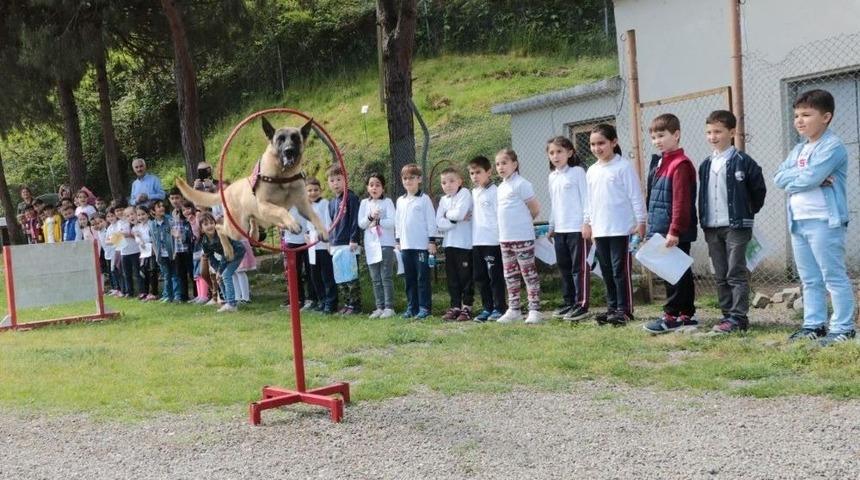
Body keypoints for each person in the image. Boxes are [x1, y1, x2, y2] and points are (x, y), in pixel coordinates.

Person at [774, 89, 856, 346]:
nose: (799, 120)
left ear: (826, 117)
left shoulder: (833, 146)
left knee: (833, 276)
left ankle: (843, 327)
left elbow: (810, 177)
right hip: (799, 221)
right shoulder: (799, 149)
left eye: (806, 115)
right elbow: (778, 178)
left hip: (824, 221)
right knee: (809, 278)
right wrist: (809, 177)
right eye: (796, 115)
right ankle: (814, 324)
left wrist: (807, 178)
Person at [698, 110, 767, 334]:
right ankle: (726, 315)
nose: (713, 137)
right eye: (709, 132)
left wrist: (746, 211)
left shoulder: (743, 162)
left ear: (732, 132)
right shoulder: (706, 164)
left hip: (737, 225)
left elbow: (758, 190)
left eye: (718, 132)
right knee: (720, 274)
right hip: (712, 226)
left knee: (735, 272)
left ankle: (738, 317)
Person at [583, 124, 647, 327]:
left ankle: (624, 310)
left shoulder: (623, 167)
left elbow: (636, 196)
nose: (597, 148)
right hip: (600, 230)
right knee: (607, 271)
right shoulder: (592, 171)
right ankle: (612, 309)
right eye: (593, 144)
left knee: (620, 270)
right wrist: (588, 223)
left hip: (621, 229)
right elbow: (589, 201)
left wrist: (641, 221)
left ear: (614, 142)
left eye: (601, 143)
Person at [642, 114, 699, 334]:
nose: (657, 141)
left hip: (674, 232)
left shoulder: (680, 164)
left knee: (675, 273)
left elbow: (681, 201)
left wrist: (674, 230)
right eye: (653, 137)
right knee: (675, 272)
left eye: (661, 135)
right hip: (662, 229)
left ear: (676, 135)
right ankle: (686, 314)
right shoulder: (660, 163)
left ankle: (672, 315)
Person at [494, 149, 542, 324]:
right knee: (510, 275)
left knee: (528, 274)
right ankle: (514, 309)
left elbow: (535, 208)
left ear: (514, 164)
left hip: (522, 238)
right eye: (497, 164)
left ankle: (534, 310)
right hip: (505, 239)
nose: (501, 167)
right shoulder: (500, 187)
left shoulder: (522, 184)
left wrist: (523, 224)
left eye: (504, 163)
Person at [546, 136, 591, 322]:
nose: (555, 156)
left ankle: (582, 304)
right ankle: (569, 302)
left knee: (578, 268)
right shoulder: (552, 176)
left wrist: (586, 222)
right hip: (560, 230)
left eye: (559, 152)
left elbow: (586, 199)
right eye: (551, 153)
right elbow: (554, 203)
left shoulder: (577, 172)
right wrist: (552, 226)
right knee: (564, 267)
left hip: (577, 229)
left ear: (570, 153)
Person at [395, 163, 437, 319]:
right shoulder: (400, 200)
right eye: (405, 178)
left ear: (419, 179)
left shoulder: (424, 199)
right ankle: (412, 307)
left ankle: (424, 308)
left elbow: (431, 221)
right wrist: (398, 240)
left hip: (421, 246)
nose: (408, 181)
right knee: (410, 279)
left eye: (411, 178)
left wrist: (431, 241)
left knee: (422, 278)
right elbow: (398, 222)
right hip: (406, 246)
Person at [468, 156, 507, 322]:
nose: (475, 176)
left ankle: (499, 307)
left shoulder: (495, 191)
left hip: (492, 241)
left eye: (478, 172)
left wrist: (501, 238)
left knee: (494, 276)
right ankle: (487, 308)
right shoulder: (473, 192)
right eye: (472, 173)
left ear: (488, 172)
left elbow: (501, 216)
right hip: (477, 241)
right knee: (480, 277)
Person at [436, 167, 474, 321]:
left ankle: (467, 307)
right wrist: (454, 220)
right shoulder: (443, 200)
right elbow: (438, 222)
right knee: (452, 278)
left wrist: (447, 215)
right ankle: (455, 306)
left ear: (459, 181)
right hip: (449, 244)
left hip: (464, 244)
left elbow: (460, 213)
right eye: (444, 182)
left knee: (466, 277)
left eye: (451, 181)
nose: (448, 185)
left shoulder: (465, 193)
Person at [358, 173, 397, 319]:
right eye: (371, 185)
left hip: (385, 243)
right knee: (375, 277)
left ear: (383, 187)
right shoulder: (364, 203)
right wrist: (370, 217)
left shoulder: (387, 202)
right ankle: (379, 307)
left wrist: (379, 221)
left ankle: (389, 307)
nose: (374, 188)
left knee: (385, 276)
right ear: (367, 188)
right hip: (371, 244)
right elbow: (361, 224)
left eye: (378, 185)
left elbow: (393, 222)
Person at [327, 165, 362, 314]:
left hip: (349, 244)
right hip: (336, 244)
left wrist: (354, 239)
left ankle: (355, 305)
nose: (335, 183)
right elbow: (331, 224)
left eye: (338, 179)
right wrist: (330, 241)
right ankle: (347, 303)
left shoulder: (351, 198)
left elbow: (355, 220)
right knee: (340, 276)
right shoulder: (331, 202)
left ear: (345, 180)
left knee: (351, 275)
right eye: (332, 180)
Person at [198, 211, 245, 313]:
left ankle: (231, 305)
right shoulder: (204, 242)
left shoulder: (220, 234)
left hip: (237, 252)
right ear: (201, 229)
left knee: (225, 275)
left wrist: (219, 271)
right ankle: (227, 302)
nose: (210, 226)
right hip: (227, 255)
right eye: (206, 224)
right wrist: (217, 270)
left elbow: (225, 253)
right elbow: (210, 257)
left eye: (211, 223)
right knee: (220, 278)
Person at [306, 178, 336, 314]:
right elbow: (308, 225)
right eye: (309, 190)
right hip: (312, 245)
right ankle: (322, 300)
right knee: (315, 275)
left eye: (315, 190)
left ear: (320, 190)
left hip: (323, 244)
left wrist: (327, 239)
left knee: (326, 275)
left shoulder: (324, 203)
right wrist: (307, 235)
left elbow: (328, 223)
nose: (313, 193)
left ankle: (330, 302)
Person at [281, 207, 311, 308]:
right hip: (291, 242)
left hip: (307, 241)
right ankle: (297, 299)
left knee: (310, 271)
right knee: (293, 273)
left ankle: (311, 298)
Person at [149, 200, 178, 303]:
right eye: (158, 207)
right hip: (161, 255)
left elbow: (175, 236)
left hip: (172, 253)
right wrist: (157, 255)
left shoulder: (170, 220)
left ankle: (177, 295)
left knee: (175, 275)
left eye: (162, 206)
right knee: (166, 275)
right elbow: (153, 241)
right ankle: (167, 295)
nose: (162, 208)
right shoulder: (152, 225)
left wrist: (175, 252)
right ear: (153, 211)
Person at [133, 205, 159, 301]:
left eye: (143, 214)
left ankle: (154, 293)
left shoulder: (151, 224)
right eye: (139, 215)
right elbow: (137, 239)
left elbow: (153, 237)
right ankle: (145, 291)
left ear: (148, 214)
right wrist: (139, 239)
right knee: (143, 272)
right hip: (143, 253)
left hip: (152, 251)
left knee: (152, 271)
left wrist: (146, 241)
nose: (141, 217)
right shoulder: (137, 227)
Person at [170, 206, 195, 302]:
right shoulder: (172, 220)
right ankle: (184, 296)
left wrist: (179, 235)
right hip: (178, 251)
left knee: (192, 273)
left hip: (188, 250)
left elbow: (188, 236)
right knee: (181, 274)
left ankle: (197, 294)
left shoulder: (187, 221)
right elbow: (171, 235)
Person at [117, 206, 142, 298]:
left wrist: (128, 234)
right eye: (127, 215)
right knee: (126, 274)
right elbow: (117, 237)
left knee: (137, 273)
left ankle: (141, 291)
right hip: (124, 252)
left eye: (132, 214)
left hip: (135, 251)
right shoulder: (119, 224)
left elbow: (138, 236)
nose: (130, 217)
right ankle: (129, 292)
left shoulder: (134, 225)